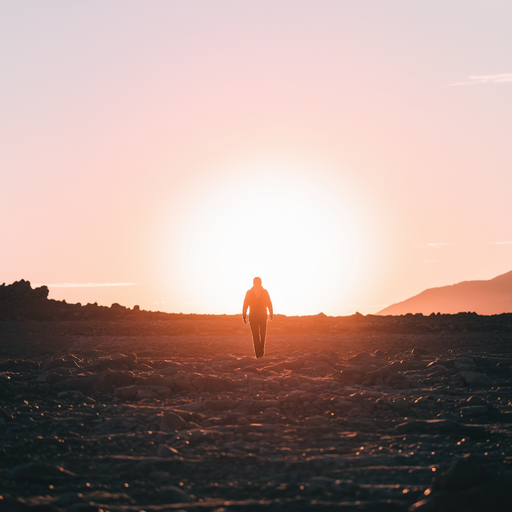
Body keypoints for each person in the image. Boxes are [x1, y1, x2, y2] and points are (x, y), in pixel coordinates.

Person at [242, 277, 273, 358]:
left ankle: (261, 353)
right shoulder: (249, 292)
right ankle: (258, 354)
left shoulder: (265, 292)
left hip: (262, 316)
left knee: (262, 336)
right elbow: (245, 304)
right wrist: (244, 315)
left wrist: (271, 313)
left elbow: (269, 303)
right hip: (253, 316)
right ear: (254, 283)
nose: (257, 284)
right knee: (255, 336)